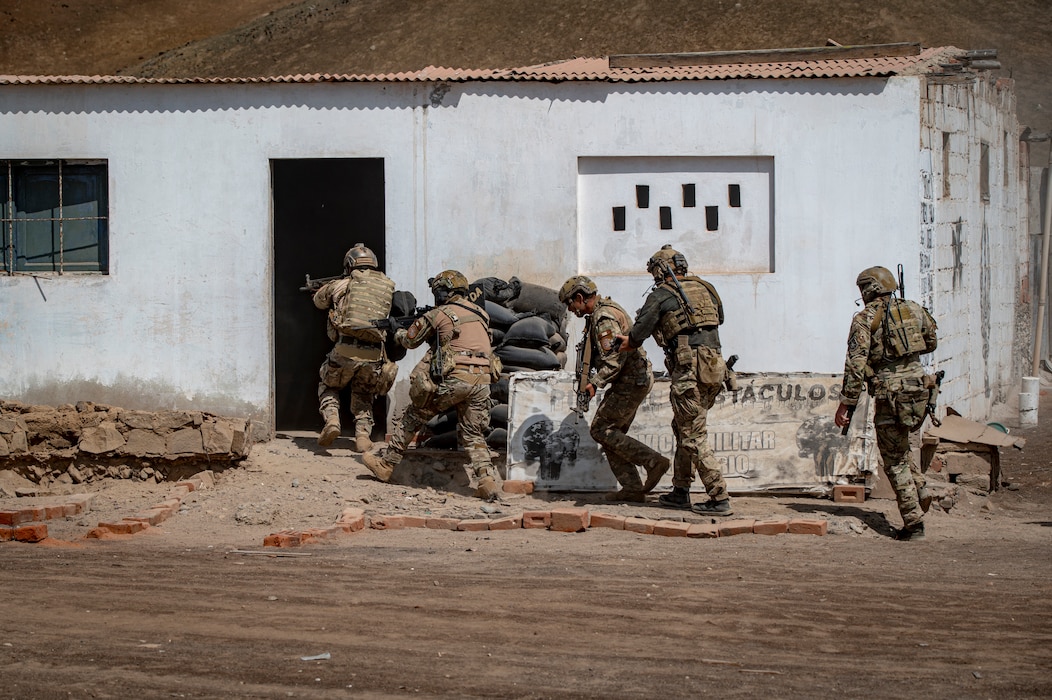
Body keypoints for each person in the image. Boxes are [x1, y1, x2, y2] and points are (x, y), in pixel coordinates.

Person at [615, 245, 734, 516]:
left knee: (692, 435)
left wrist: (627, 342)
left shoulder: (662, 295)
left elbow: (639, 333)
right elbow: (719, 319)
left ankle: (719, 497)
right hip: (714, 368)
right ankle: (681, 491)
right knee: (683, 428)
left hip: (688, 371)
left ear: (659, 270)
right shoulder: (708, 288)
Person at [363, 270, 501, 500]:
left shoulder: (439, 313)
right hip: (482, 381)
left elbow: (410, 340)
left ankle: (386, 464)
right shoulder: (482, 314)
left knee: (414, 415)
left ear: (442, 291)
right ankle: (486, 480)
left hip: (455, 378)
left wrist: (396, 331)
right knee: (473, 434)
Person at [834, 266, 938, 541]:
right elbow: (931, 342)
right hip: (918, 389)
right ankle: (921, 489)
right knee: (901, 445)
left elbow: (855, 366)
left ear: (868, 290)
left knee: (893, 460)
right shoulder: (915, 309)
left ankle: (913, 522)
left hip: (889, 393)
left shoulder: (865, 318)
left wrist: (846, 402)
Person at [558, 275, 670, 502]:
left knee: (600, 429)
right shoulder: (603, 311)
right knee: (609, 434)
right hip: (630, 380)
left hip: (630, 380)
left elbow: (615, 359)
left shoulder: (603, 317)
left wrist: (595, 384)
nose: (571, 309)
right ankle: (632, 488)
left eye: (570, 303)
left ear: (579, 297)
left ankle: (653, 461)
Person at [311, 243, 398, 452]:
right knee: (364, 394)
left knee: (328, 384)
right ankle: (362, 437)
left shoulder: (341, 284)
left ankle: (332, 419)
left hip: (345, 349)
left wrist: (327, 288)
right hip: (374, 353)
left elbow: (319, 302)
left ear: (349, 264)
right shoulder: (386, 286)